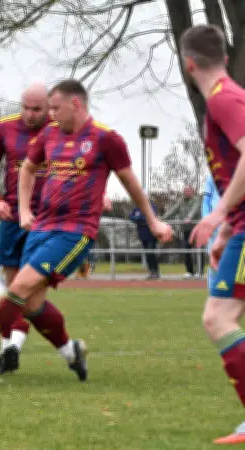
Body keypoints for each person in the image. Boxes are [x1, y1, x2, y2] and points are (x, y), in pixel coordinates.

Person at [0, 79, 173, 381]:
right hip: (42, 226)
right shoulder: (50, 134)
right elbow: (27, 169)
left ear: (76, 104)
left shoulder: (106, 139)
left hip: (74, 231)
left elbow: (130, 182)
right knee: (32, 304)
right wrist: (23, 210)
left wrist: (152, 220)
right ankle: (70, 352)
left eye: (55, 108)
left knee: (18, 289)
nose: (51, 115)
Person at [180, 24, 245, 444]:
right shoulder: (226, 99)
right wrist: (225, 231)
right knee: (226, 316)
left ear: (188, 63)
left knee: (218, 317)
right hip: (240, 225)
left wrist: (218, 213)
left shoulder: (225, 100)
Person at [0, 82, 52, 375]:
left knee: (31, 290)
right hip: (11, 218)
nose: (30, 115)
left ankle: (14, 349)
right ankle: (11, 350)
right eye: (25, 108)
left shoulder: (60, 130)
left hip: (48, 219)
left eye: (37, 109)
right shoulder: (4, 128)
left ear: (48, 107)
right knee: (12, 287)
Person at [164, 184, 203, 278]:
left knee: (199, 250)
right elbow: (173, 210)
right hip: (186, 230)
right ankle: (189, 272)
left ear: (192, 191)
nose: (186, 192)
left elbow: (194, 209)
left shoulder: (196, 200)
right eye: (184, 190)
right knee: (186, 249)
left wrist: (189, 217)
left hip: (197, 229)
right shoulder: (181, 201)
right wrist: (161, 220)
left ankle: (200, 272)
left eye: (188, 190)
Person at [129, 199, 161, 280]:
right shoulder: (137, 208)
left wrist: (140, 218)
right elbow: (131, 216)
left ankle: (155, 272)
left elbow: (149, 217)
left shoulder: (152, 206)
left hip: (151, 235)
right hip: (142, 235)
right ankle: (151, 272)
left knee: (151, 253)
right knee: (147, 254)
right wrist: (140, 218)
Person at [202, 173, 220, 288]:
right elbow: (206, 201)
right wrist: (207, 221)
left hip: (237, 225)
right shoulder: (213, 175)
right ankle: (213, 292)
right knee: (215, 261)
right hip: (215, 226)